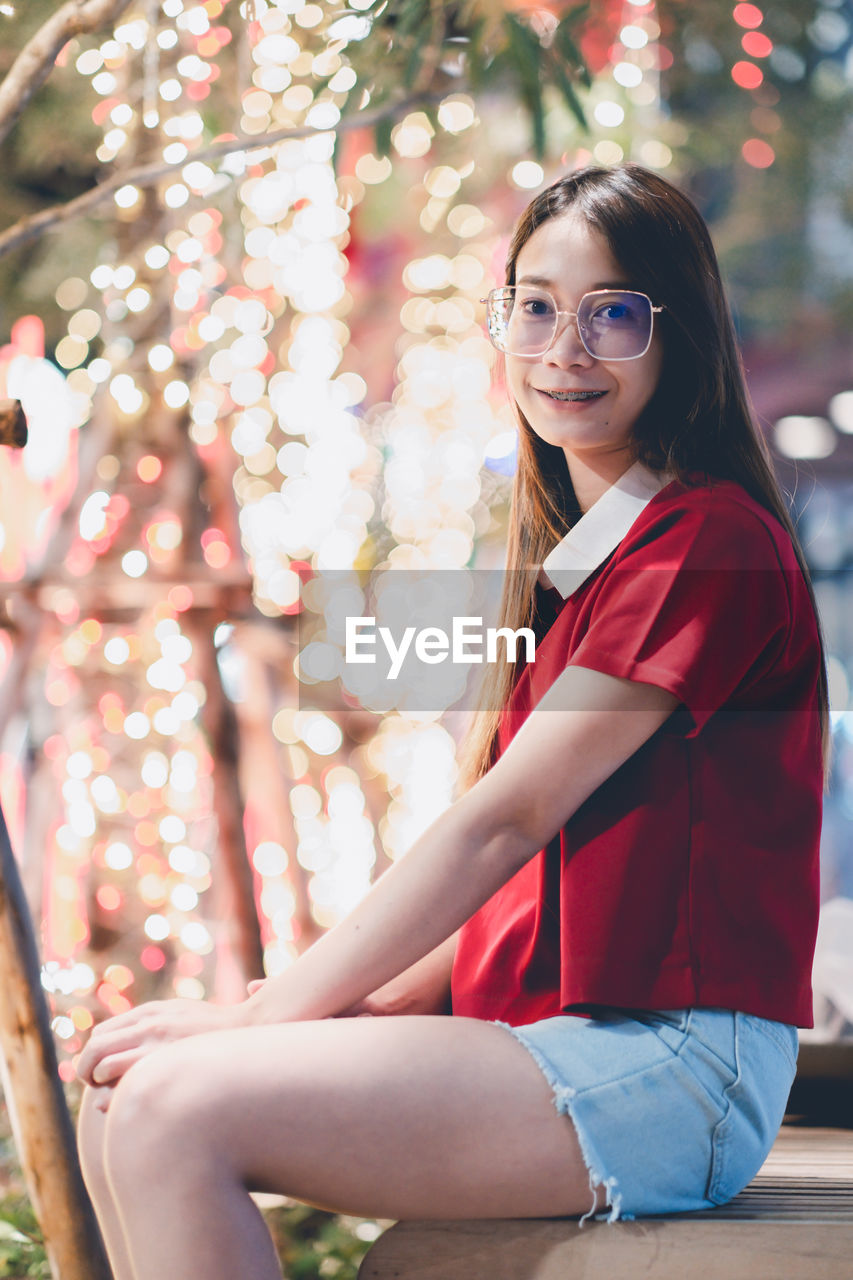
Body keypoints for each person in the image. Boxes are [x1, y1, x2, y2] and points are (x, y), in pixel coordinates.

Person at [75, 163, 829, 1279]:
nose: (563, 348)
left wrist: (274, 1011)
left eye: (610, 312)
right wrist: (311, 1008)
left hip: (675, 1068)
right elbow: (541, 877)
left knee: (177, 1111)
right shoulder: (593, 559)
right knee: (125, 1094)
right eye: (532, 305)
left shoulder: (703, 544)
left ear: (681, 334)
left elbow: (502, 822)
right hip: (559, 1038)